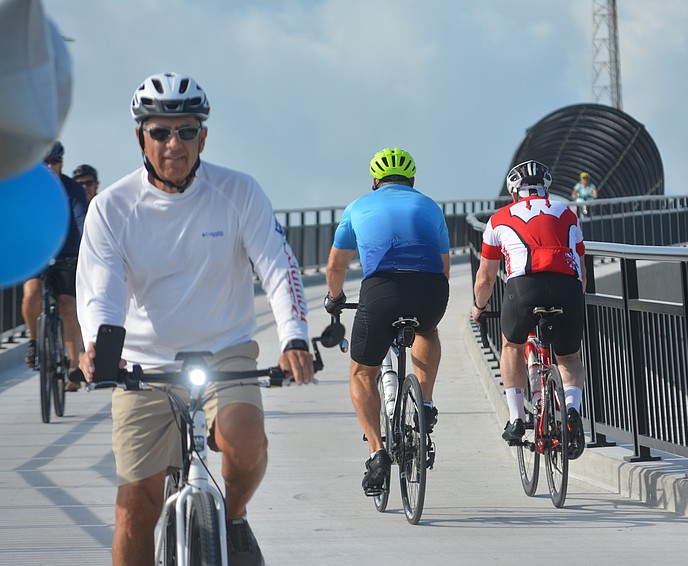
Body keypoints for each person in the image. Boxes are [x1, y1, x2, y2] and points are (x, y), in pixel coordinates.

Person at [75, 72, 314, 566]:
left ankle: (234, 517)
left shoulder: (239, 192)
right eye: (160, 132)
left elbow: (278, 264)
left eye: (186, 131)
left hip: (224, 350)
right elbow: (101, 290)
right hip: (142, 363)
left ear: (203, 136)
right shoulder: (111, 207)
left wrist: (293, 337)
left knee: (245, 440)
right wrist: (101, 345)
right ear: (140, 136)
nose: (173, 144)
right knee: (134, 505)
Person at [324, 147, 450, 496]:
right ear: (412, 181)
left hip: (381, 292)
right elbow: (444, 268)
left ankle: (377, 452)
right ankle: (424, 405)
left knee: (363, 371)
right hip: (429, 289)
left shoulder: (357, 206)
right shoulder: (430, 206)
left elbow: (336, 267)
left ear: (375, 181)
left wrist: (334, 299)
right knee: (427, 329)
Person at [471, 159, 587, 460]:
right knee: (569, 356)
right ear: (545, 190)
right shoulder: (568, 214)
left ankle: (517, 418)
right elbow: (582, 272)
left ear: (514, 192)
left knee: (512, 344)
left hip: (524, 289)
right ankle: (572, 411)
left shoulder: (498, 219)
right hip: (568, 288)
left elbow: (485, 278)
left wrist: (479, 307)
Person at [22, 141, 87, 391]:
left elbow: (81, 220)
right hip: (35, 255)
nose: (51, 166)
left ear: (62, 163)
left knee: (68, 306)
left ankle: (72, 366)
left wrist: (86, 248)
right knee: (31, 296)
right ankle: (34, 343)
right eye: (45, 162)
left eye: (55, 162)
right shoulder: (29, 188)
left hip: (66, 255)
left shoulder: (72, 190)